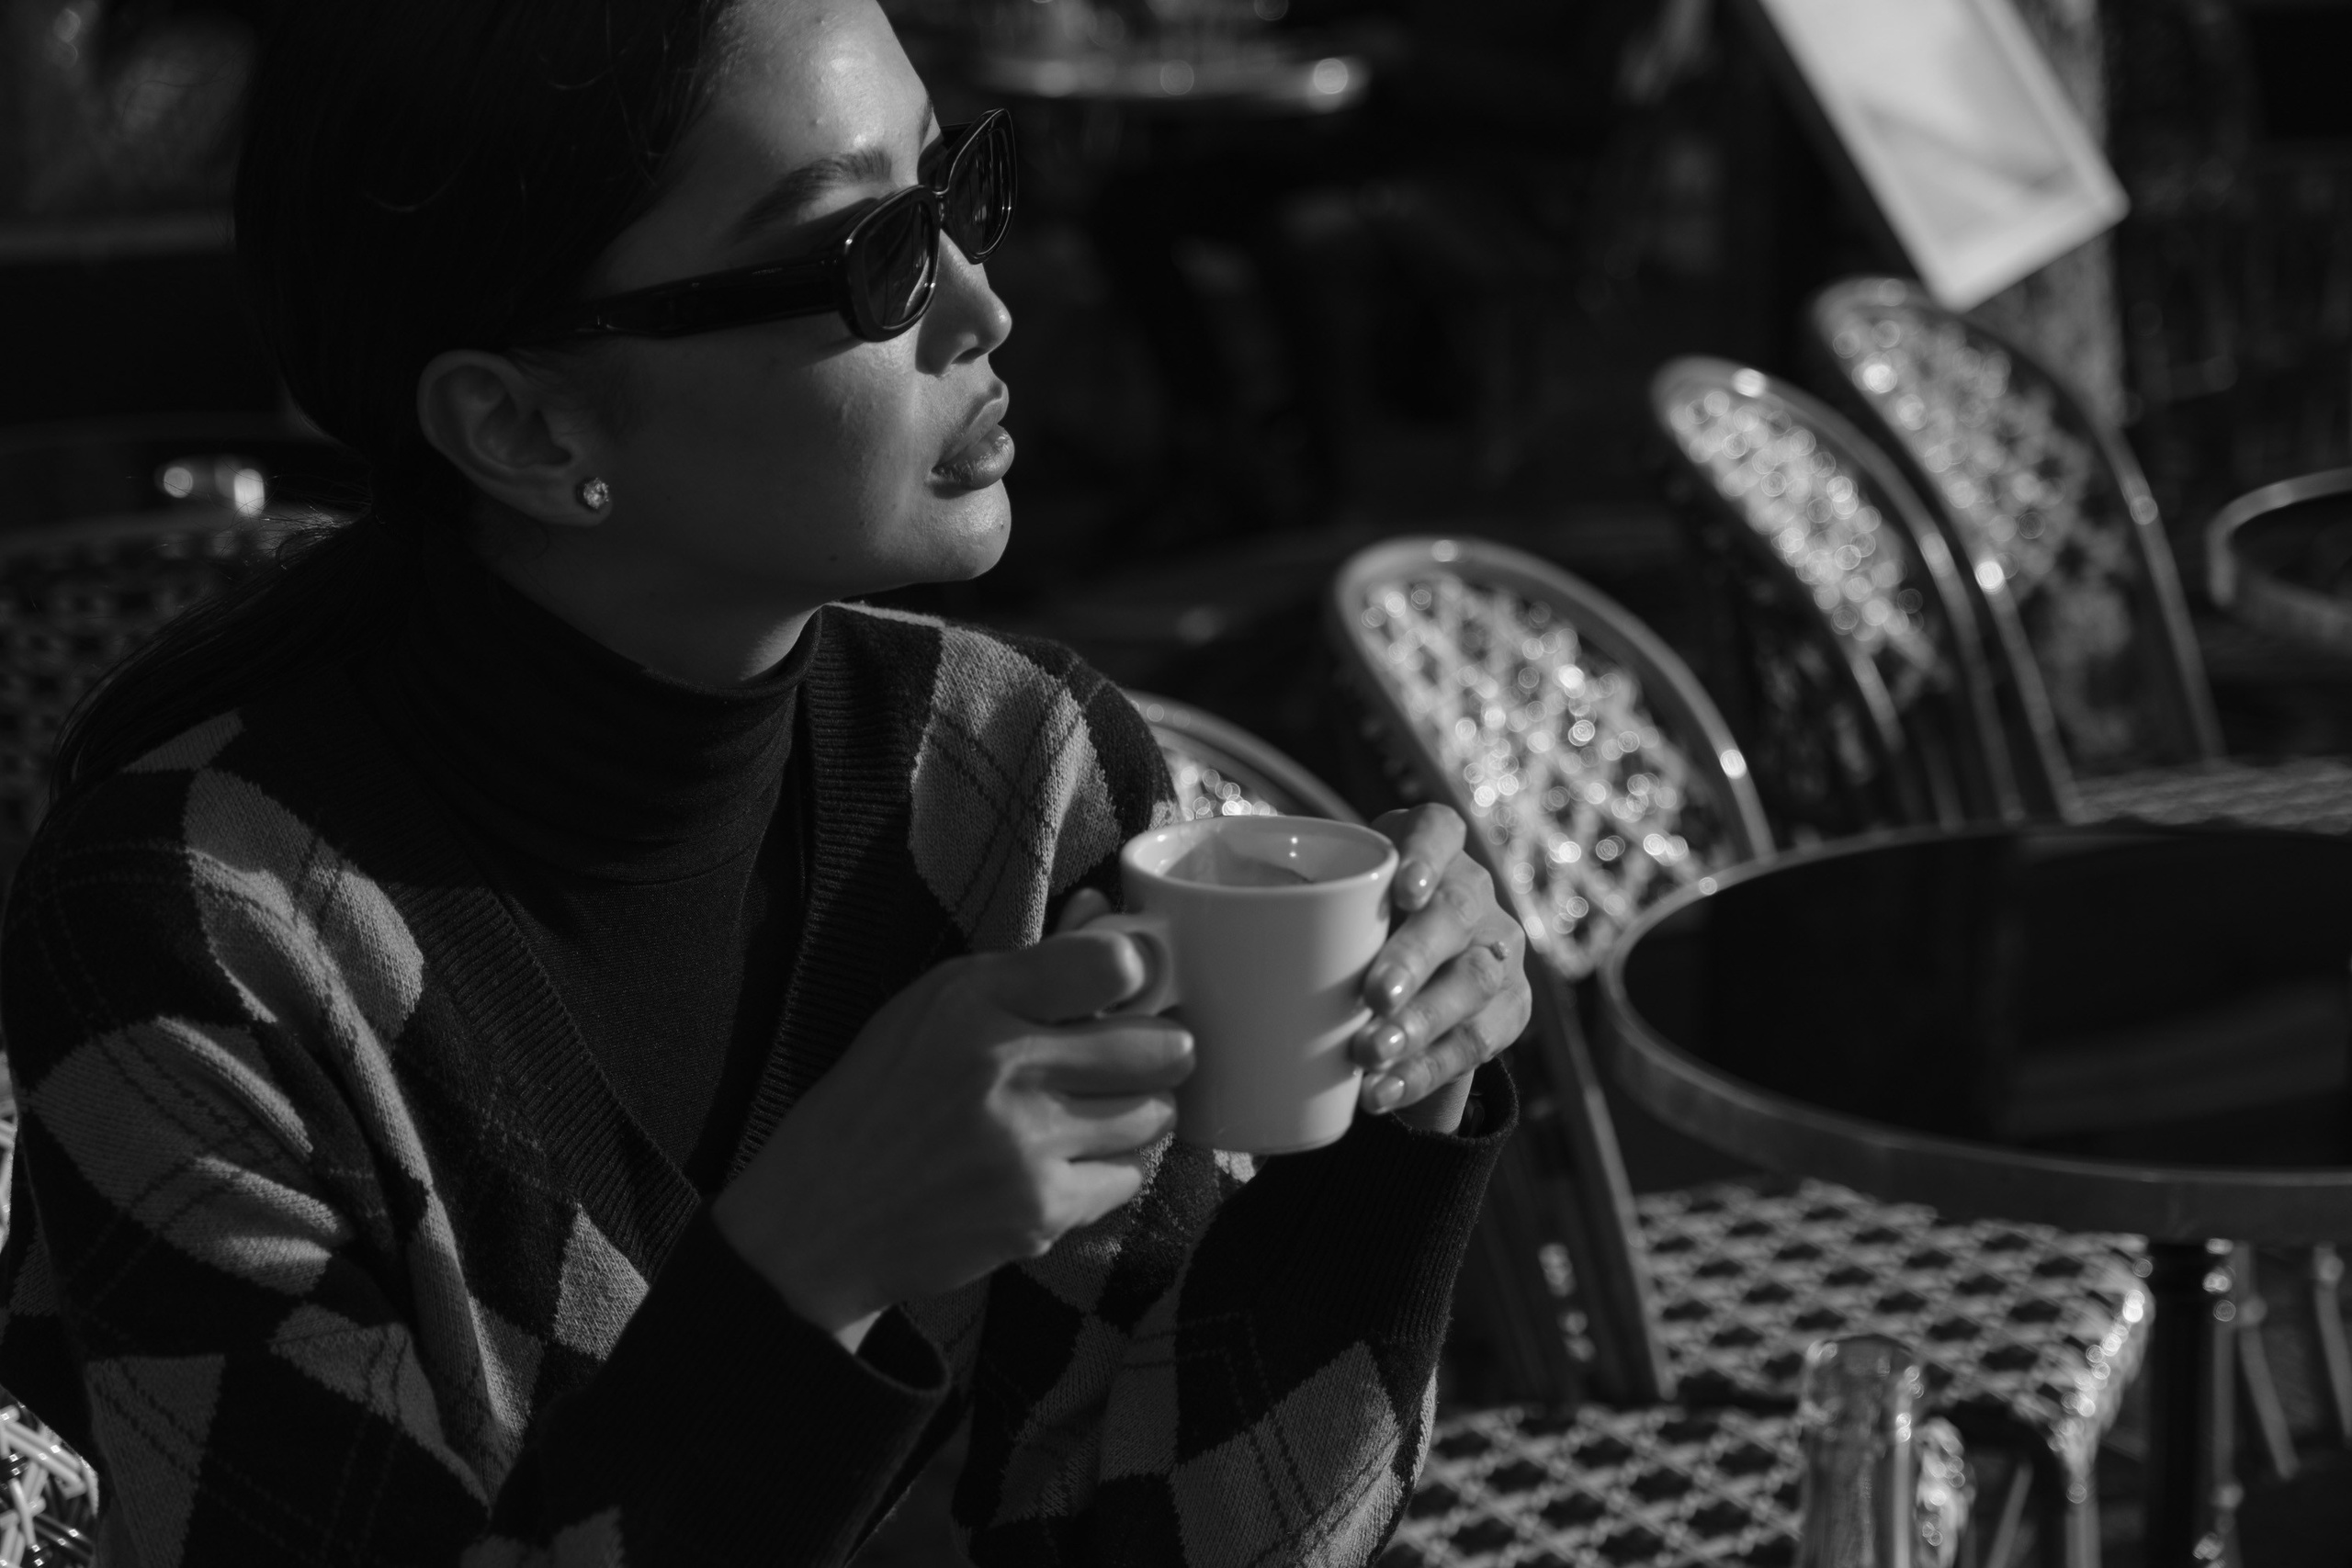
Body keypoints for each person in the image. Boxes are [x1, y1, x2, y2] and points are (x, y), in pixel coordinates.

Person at [0, 0, 1533, 1562]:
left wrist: (1401, 1120)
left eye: (960, 195)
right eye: (872, 258)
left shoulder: (1014, 773)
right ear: (524, 425)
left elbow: (1177, 1536)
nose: (985, 309)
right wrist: (815, 1261)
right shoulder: (194, 936)